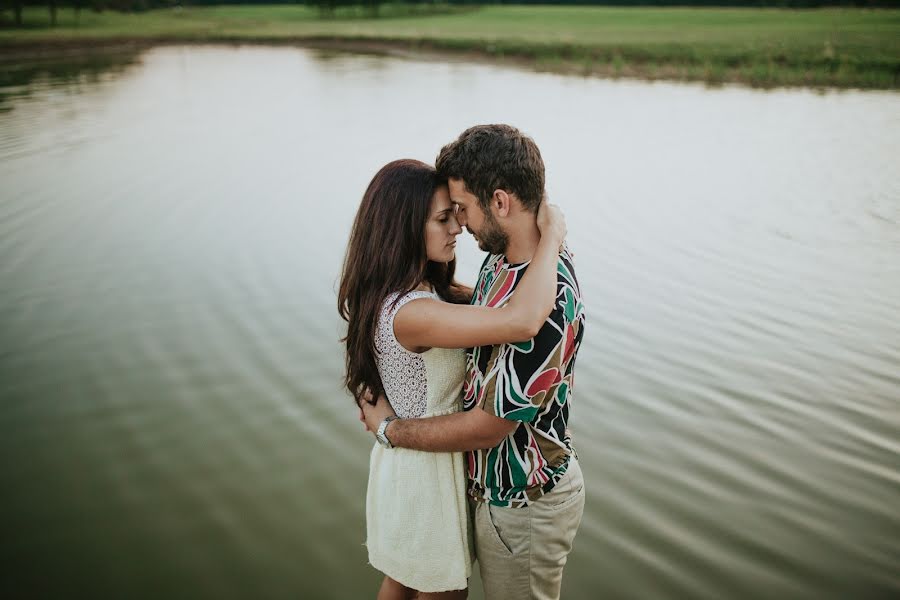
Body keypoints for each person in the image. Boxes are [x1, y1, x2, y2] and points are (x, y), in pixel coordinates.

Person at [361, 124, 587, 600]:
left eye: (460, 210)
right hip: (462, 484)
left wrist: (390, 430)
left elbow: (492, 421)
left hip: (523, 497)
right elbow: (492, 316)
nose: (459, 225)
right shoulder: (497, 263)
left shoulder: (549, 297)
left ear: (500, 203)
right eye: (446, 216)